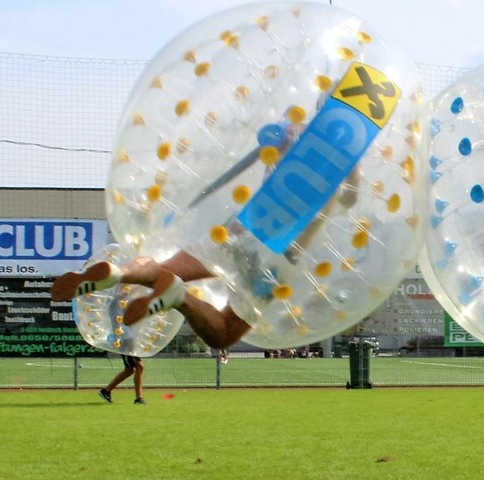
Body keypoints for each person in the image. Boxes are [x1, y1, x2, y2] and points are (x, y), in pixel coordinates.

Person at [51, 106, 360, 350]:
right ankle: (179, 297)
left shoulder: (291, 134)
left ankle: (120, 273)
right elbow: (349, 197)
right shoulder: (341, 162)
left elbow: (266, 146)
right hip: (278, 259)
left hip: (239, 231)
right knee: (223, 333)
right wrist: (352, 163)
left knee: (161, 266)